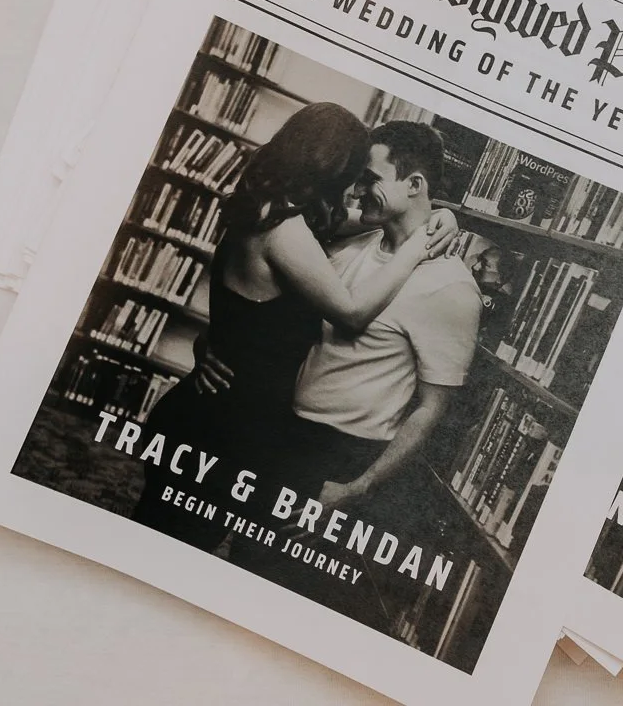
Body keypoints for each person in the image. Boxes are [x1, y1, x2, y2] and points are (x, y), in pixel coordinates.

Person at [129, 103, 454, 550]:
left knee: (167, 545)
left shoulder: (279, 213)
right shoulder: (285, 231)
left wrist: (446, 216)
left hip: (218, 415)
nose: (357, 190)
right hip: (219, 428)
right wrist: (417, 247)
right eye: (355, 173)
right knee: (167, 551)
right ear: (331, 166)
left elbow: (387, 216)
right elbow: (353, 313)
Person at [224, 121, 482, 623]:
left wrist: (357, 488)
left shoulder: (450, 288)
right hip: (284, 436)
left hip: (341, 460)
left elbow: (433, 409)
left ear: (415, 185)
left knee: (293, 603)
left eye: (370, 176)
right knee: (244, 573)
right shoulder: (352, 245)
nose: (357, 188)